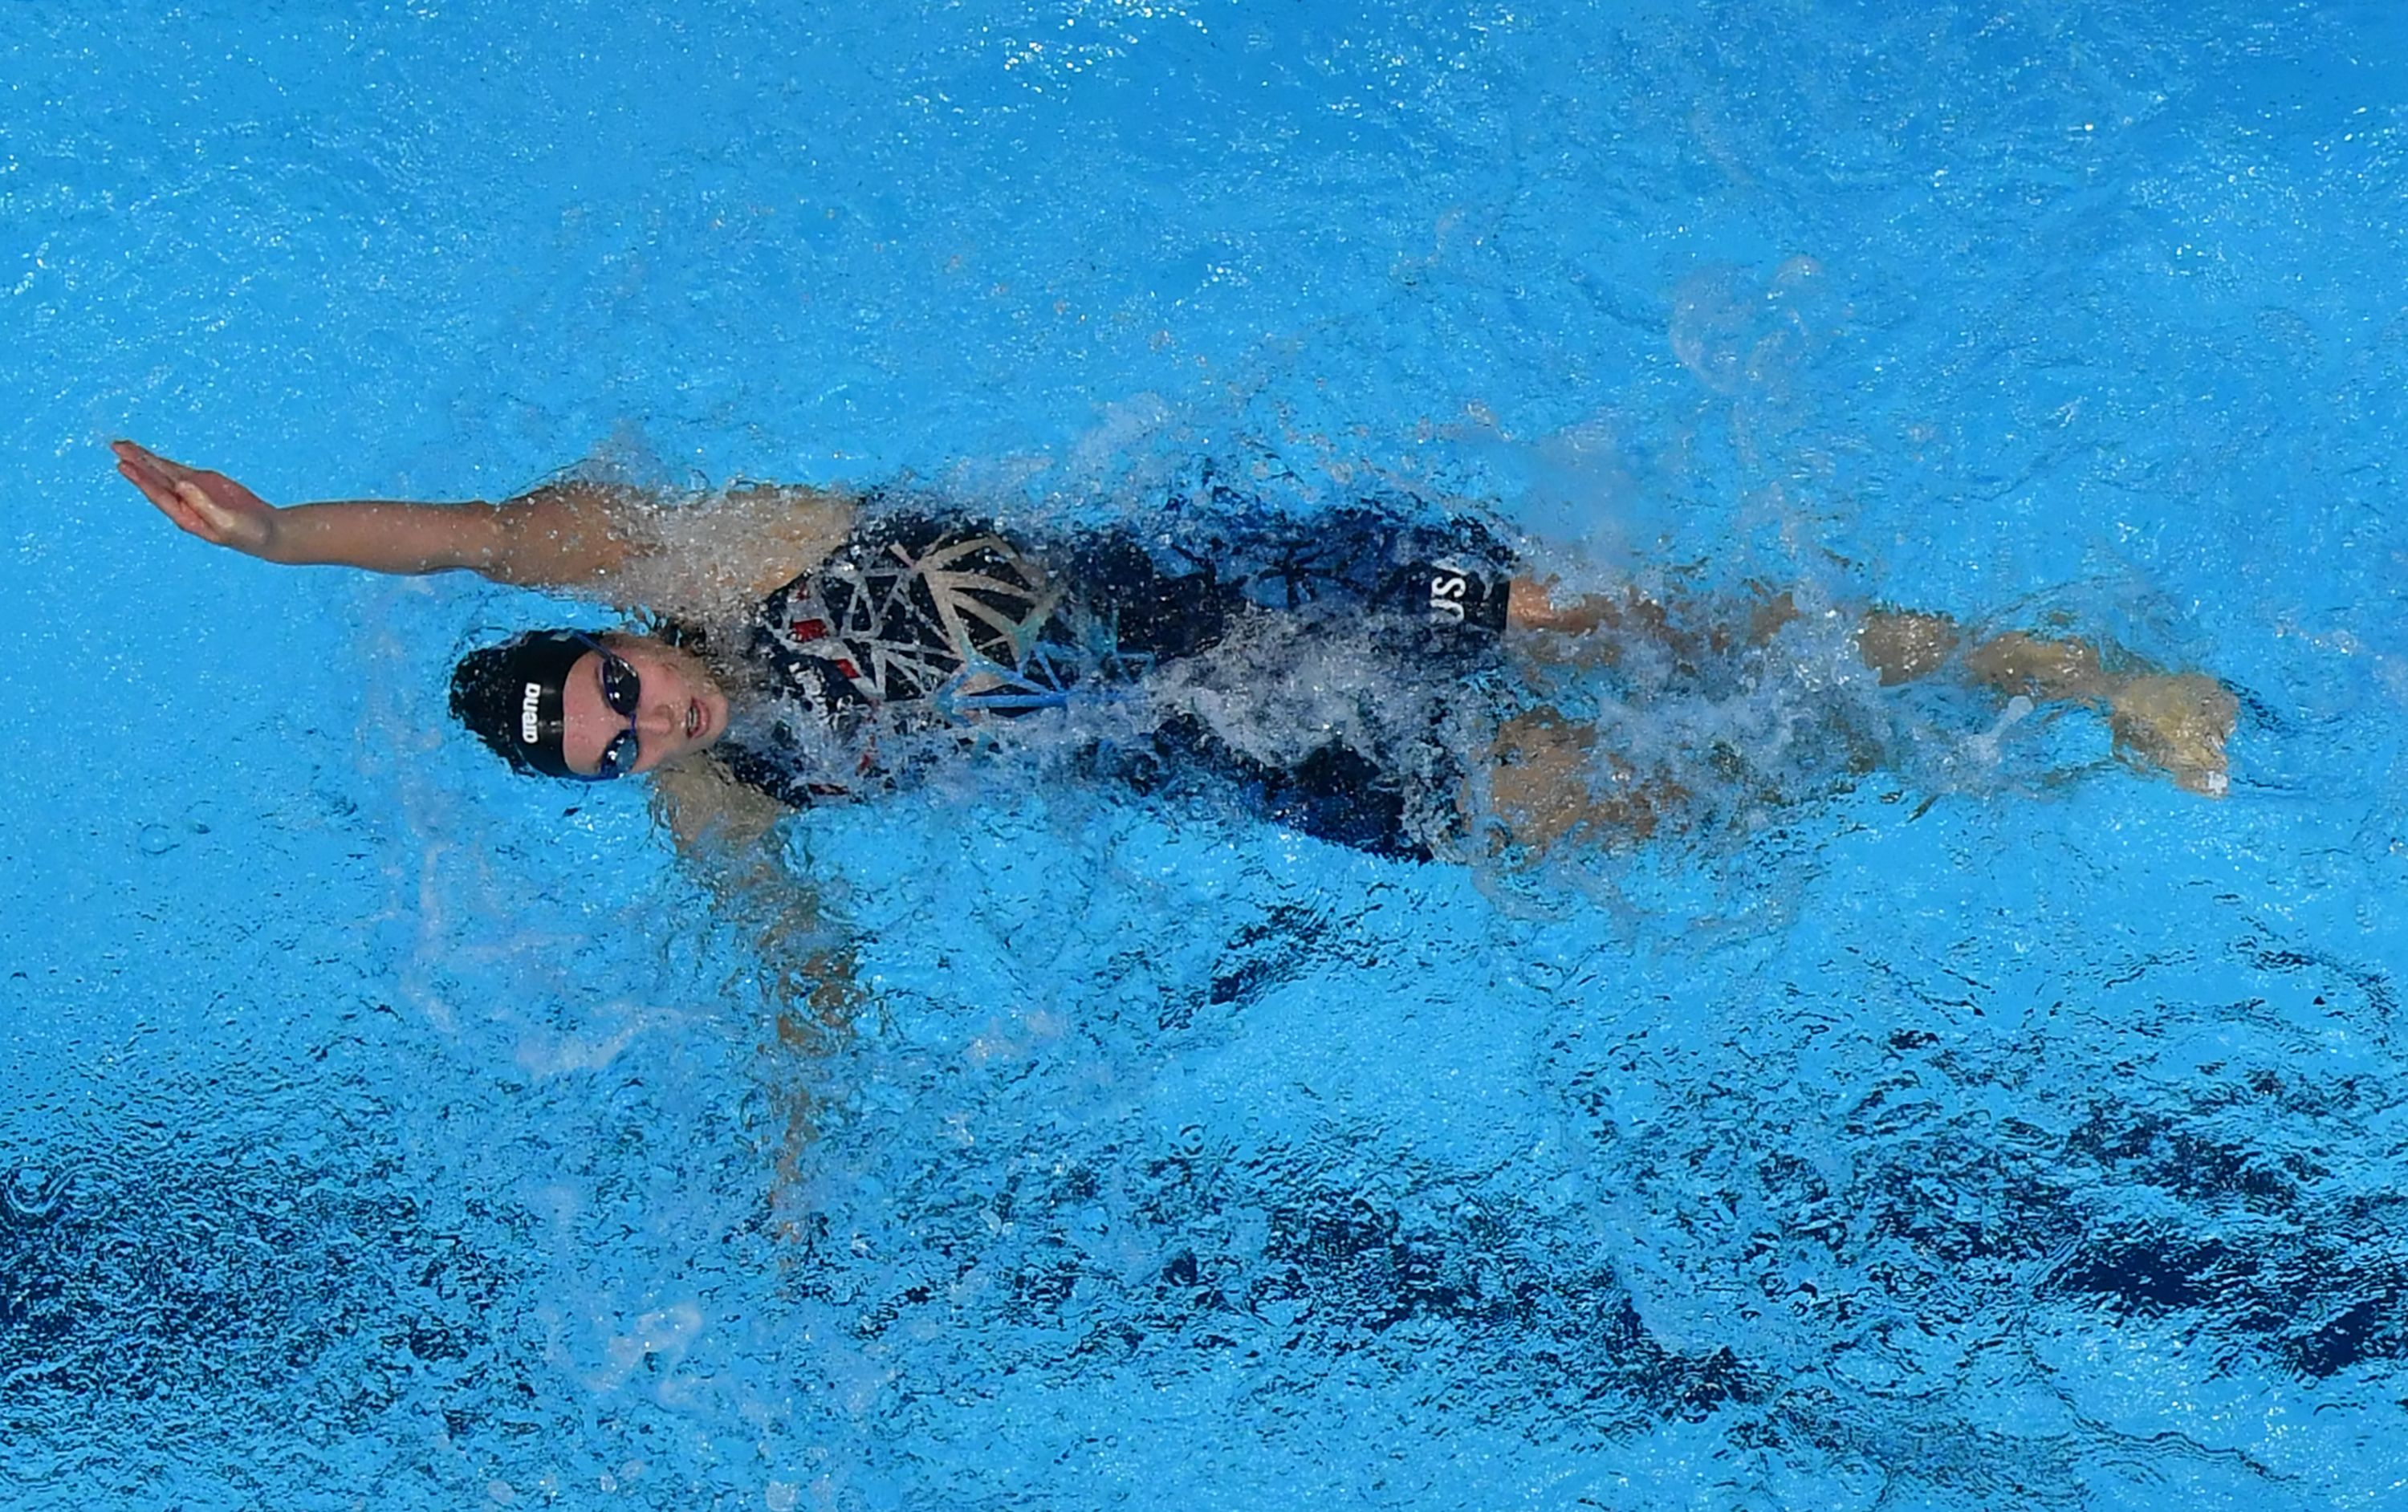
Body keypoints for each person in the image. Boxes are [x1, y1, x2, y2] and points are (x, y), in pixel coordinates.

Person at [111, 440, 2239, 864]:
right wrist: (789, 1168)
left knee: (1618, 616)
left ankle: (2065, 670)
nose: (632, 721)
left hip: (1265, 595)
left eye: (606, 683)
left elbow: (491, 534)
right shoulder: (730, 791)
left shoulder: (743, 558)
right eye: (605, 749)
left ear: (615, 635)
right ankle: (1914, 748)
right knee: (1624, 808)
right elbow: (793, 983)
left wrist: (291, 536)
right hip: (1231, 754)